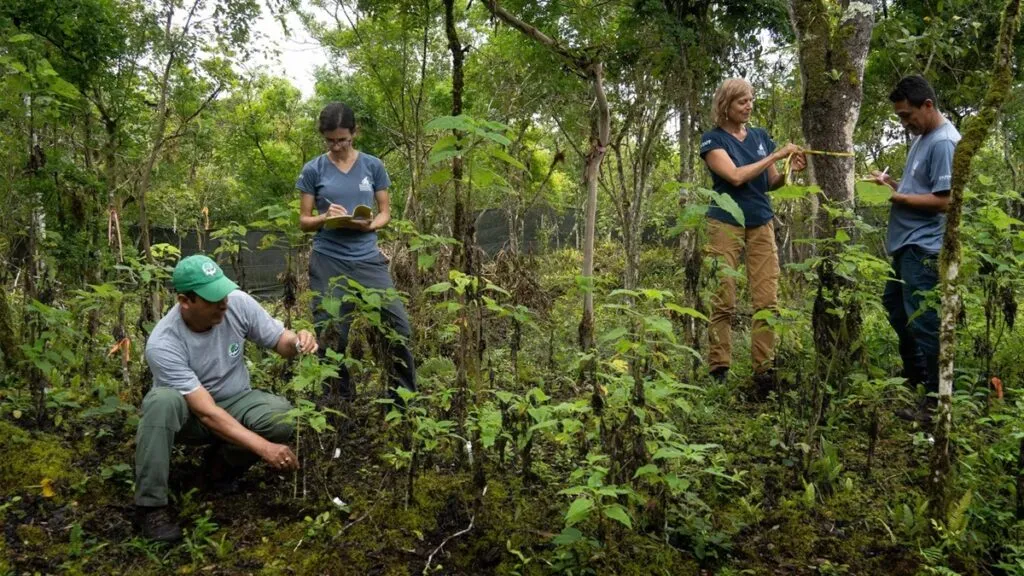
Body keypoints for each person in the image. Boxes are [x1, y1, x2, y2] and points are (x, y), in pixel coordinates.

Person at [134, 254, 318, 542]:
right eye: (212, 298)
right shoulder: (163, 343)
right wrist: (264, 448)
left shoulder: (236, 303)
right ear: (185, 301)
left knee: (281, 417)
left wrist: (298, 341)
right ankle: (151, 506)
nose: (223, 303)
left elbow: (280, 342)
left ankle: (217, 470)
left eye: (223, 292)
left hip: (234, 399)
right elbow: (206, 413)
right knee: (161, 402)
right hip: (189, 415)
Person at [297, 102, 417, 399]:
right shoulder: (313, 169)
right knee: (331, 335)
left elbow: (385, 211)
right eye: (330, 140)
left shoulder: (373, 166)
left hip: (367, 258)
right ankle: (339, 404)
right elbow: (304, 221)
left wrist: (372, 224)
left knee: (397, 327)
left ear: (355, 133)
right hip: (328, 259)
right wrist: (325, 218)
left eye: (343, 140)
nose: (336, 146)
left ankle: (401, 400)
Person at [699, 77, 806, 392]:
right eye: (741, 102)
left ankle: (764, 370)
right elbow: (734, 176)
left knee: (767, 299)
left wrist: (789, 171)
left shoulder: (760, 136)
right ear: (726, 106)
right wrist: (774, 156)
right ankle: (719, 367)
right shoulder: (713, 140)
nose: (748, 106)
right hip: (725, 221)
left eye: (751, 100)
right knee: (723, 297)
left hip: (761, 221)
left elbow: (770, 182)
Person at [871, 75, 960, 422]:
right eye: (900, 117)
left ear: (928, 106)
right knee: (895, 307)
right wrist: (890, 184)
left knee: (923, 320)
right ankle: (917, 377)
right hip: (905, 245)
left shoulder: (943, 143)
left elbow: (945, 201)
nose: (905, 123)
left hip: (924, 246)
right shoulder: (923, 138)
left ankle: (939, 397)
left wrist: (896, 196)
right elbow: (918, 188)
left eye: (908, 115)